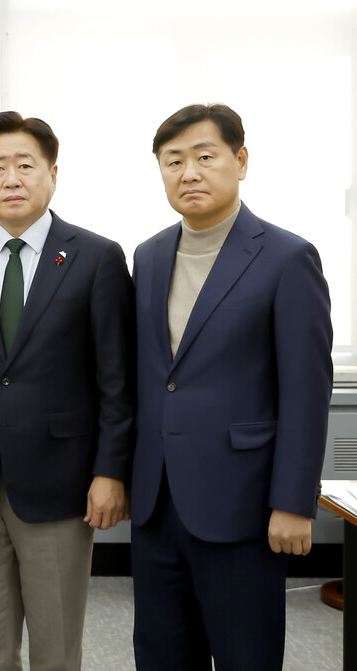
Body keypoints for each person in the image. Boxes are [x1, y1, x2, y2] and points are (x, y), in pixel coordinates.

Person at [130, 103, 333, 670]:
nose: (189, 173)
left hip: (244, 504)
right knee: (161, 657)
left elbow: (306, 392)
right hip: (157, 503)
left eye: (205, 156)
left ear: (240, 161)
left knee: (247, 657)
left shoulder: (287, 258)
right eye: (173, 161)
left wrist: (293, 502)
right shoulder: (148, 256)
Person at [0, 111, 135, 670]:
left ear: (53, 174)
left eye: (25, 165)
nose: (11, 179)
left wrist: (111, 471)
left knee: (56, 643)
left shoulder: (96, 257)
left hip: (62, 478)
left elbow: (116, 380)